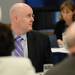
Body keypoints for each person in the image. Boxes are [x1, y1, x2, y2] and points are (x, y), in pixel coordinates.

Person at [9, 3, 52, 72]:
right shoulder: (2, 38)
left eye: (32, 16)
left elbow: (48, 68)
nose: (32, 19)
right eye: (28, 16)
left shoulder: (42, 39)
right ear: (16, 18)